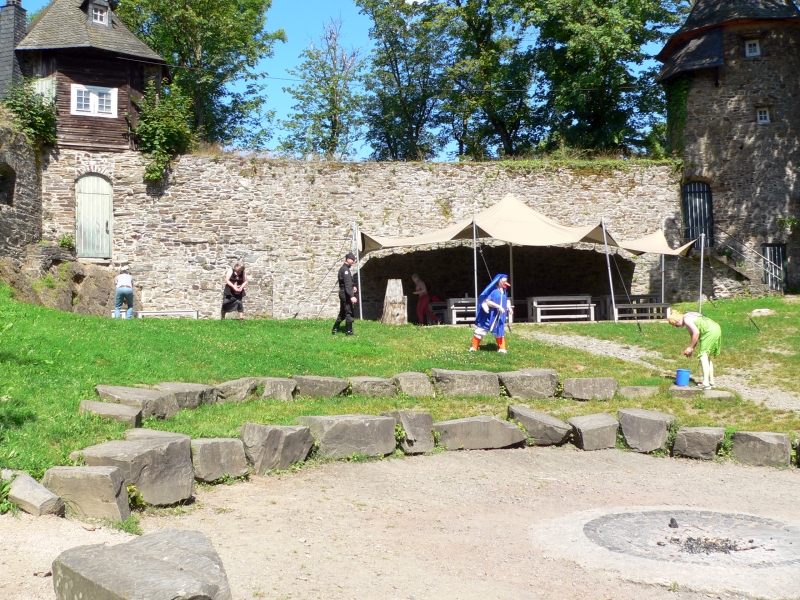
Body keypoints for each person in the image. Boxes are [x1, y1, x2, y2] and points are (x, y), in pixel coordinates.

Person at [668, 310, 722, 389]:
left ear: (678, 319)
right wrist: (691, 348)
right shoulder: (689, 316)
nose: (676, 326)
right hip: (716, 328)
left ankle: (706, 383)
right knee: (707, 357)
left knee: (703, 356)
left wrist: (690, 348)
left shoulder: (686, 319)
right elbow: (694, 337)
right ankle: (711, 382)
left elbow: (696, 333)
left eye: (675, 324)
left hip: (709, 331)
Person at [470, 274, 512, 353]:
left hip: (499, 316)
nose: (505, 283)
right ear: (499, 280)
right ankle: (474, 347)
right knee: (480, 330)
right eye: (503, 281)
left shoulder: (504, 290)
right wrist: (499, 307)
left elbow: (506, 300)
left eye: (506, 281)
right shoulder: (492, 290)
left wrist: (509, 307)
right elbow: (488, 301)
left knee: (499, 331)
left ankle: (502, 348)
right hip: (490, 315)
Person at [332, 253, 358, 335]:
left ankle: (335, 328)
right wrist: (352, 296)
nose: (353, 262)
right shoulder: (345, 270)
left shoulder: (344, 269)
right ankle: (349, 331)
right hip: (345, 294)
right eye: (352, 260)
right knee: (349, 312)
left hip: (344, 292)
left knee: (343, 312)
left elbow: (348, 282)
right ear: (348, 259)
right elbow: (347, 284)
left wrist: (353, 286)